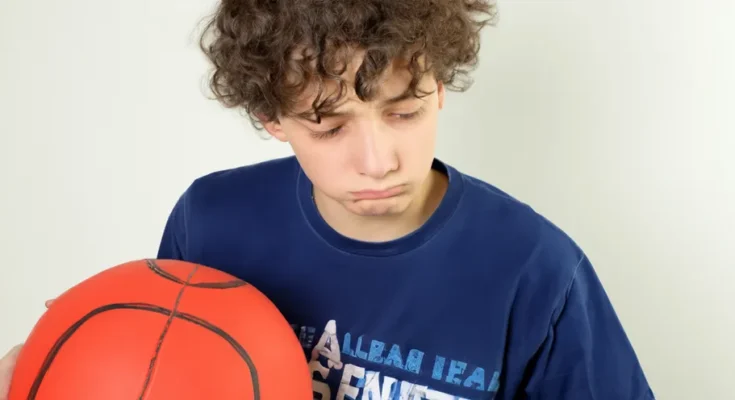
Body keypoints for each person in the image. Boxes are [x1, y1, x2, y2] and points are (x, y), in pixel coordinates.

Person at [1, 0, 655, 399]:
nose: (377, 162)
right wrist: (62, 362)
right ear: (272, 119)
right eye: (328, 126)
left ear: (440, 88)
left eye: (404, 111)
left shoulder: (535, 269)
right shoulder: (212, 222)